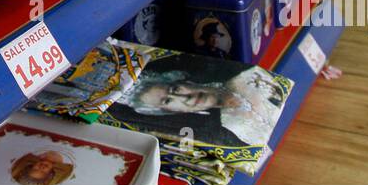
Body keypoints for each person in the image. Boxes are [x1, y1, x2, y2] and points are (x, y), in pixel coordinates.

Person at [121, 65, 286, 147]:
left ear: (183, 80)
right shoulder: (229, 131)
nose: (185, 97)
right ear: (169, 112)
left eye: (174, 89)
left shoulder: (242, 76)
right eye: (168, 101)